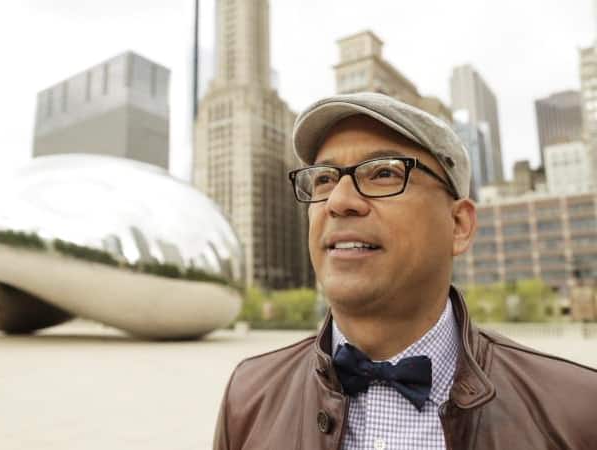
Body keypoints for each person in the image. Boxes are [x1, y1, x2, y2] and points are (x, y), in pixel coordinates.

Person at [212, 93, 597, 450]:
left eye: (383, 173)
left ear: (458, 225)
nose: (339, 201)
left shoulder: (578, 413)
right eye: (324, 179)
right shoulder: (248, 397)